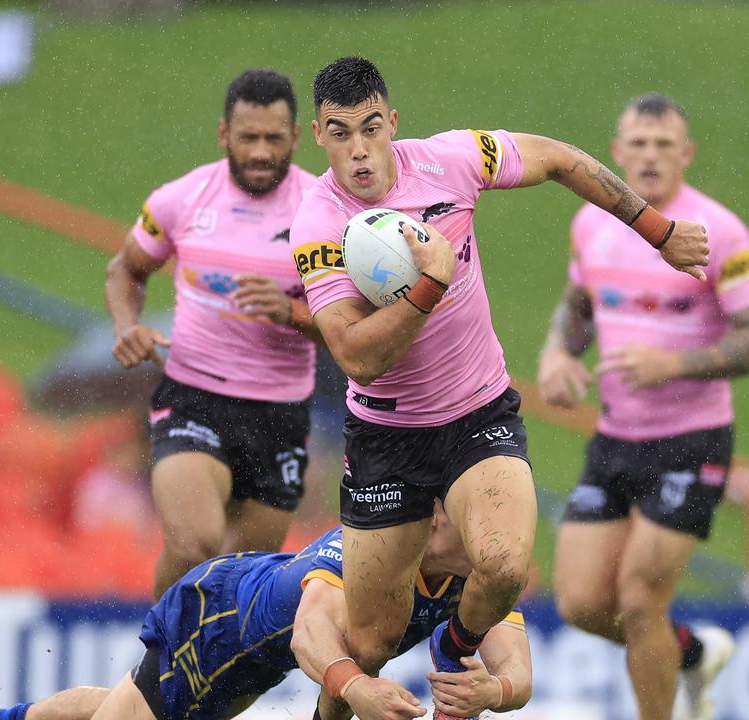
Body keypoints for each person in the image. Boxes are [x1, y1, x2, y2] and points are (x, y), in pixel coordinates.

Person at [287, 57, 709, 720]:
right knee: (369, 645)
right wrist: (431, 285)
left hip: (477, 413)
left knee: (506, 563)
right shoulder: (317, 222)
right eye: (341, 133)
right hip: (387, 436)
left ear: (393, 122)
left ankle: (453, 655)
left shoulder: (451, 160)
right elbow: (354, 356)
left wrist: (656, 229)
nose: (360, 151)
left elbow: (559, 158)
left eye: (371, 128)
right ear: (318, 134)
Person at [0, 501, 532, 720]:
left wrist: (494, 691)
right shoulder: (376, 554)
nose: (442, 520)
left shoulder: (484, 580)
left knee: (135, 708)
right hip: (221, 622)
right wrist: (357, 688)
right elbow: (312, 635)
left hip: (249, 641)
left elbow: (518, 672)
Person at [538, 93, 747, 720]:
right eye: (639, 144)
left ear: (686, 153)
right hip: (615, 438)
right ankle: (691, 651)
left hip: (694, 440)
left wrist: (672, 365)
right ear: (616, 152)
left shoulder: (723, 232)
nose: (651, 156)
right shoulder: (592, 224)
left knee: (638, 600)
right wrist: (557, 355)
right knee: (579, 603)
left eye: (664, 144)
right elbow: (577, 307)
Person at [104, 68, 325, 599]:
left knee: (242, 584)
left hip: (280, 413)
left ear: (297, 137)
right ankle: (154, 668)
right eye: (248, 137)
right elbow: (125, 270)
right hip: (194, 399)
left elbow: (360, 323)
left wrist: (291, 312)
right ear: (224, 134)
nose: (260, 151)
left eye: (274, 138)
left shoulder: (326, 212)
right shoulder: (182, 200)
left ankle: (213, 679)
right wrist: (127, 325)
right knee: (194, 544)